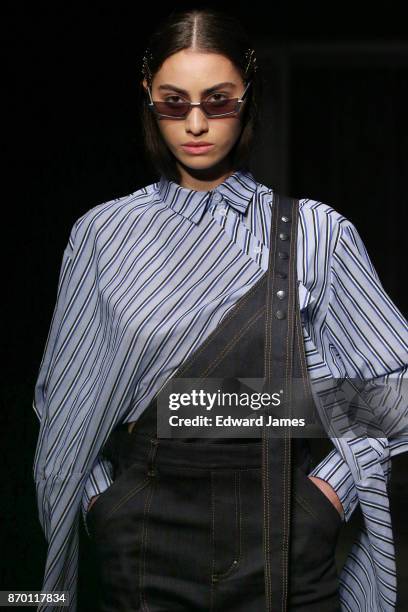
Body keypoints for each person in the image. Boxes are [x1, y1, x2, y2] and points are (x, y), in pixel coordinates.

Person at [32, 7, 408, 612]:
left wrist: (328, 494)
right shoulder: (104, 234)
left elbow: (392, 391)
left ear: (247, 99)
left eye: (220, 101)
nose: (197, 123)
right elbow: (67, 405)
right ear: (148, 99)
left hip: (285, 529)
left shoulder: (316, 232)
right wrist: (104, 504)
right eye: (174, 102)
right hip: (143, 532)